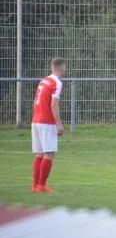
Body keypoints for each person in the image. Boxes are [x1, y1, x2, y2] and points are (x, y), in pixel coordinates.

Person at [31, 58, 66, 193]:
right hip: (46, 121)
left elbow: (36, 100)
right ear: (62, 69)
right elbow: (54, 104)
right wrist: (59, 124)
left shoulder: (44, 80)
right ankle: (42, 185)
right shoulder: (57, 83)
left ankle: (35, 186)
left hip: (36, 120)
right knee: (49, 153)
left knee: (40, 153)